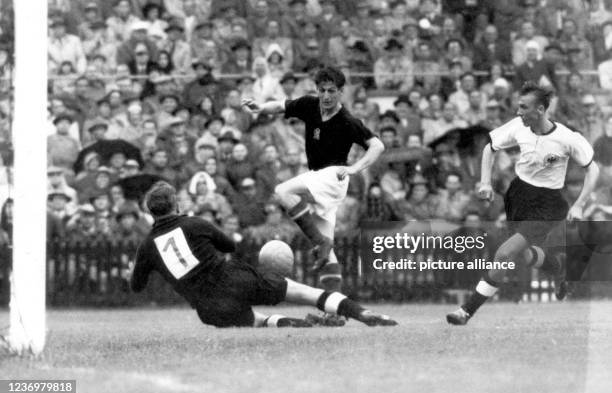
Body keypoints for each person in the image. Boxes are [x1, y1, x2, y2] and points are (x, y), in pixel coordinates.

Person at [130, 181, 397, 328]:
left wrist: (142, 266)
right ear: (176, 203)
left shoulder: (147, 246)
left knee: (257, 321)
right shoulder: (193, 223)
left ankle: (296, 325)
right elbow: (228, 246)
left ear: (151, 212)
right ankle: (362, 313)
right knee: (305, 294)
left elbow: (137, 286)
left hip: (208, 307)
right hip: (233, 279)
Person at [447, 83, 599, 325]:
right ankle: (559, 265)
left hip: (548, 204)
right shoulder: (519, 127)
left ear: (540, 110)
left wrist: (579, 204)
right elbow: (490, 147)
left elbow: (593, 169)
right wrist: (485, 182)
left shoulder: (567, 138)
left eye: (523, 107)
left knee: (505, 253)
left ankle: (466, 310)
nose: (518, 112)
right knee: (522, 254)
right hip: (518, 196)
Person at [242, 66, 384, 323]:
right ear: (317, 91)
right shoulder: (309, 105)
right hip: (321, 180)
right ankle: (334, 314)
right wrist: (261, 108)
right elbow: (281, 105)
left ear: (341, 92)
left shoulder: (348, 122)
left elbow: (377, 145)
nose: (327, 96)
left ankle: (320, 241)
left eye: (332, 91)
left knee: (281, 190)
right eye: (322, 90)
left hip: (333, 177)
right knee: (328, 257)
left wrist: (354, 167)